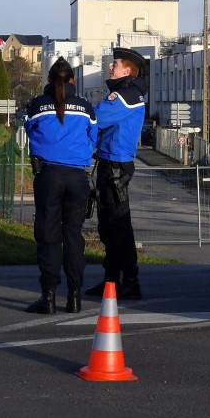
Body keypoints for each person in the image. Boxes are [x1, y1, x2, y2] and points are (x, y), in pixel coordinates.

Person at [23, 57, 98, 314]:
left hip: (49, 176)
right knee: (73, 236)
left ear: (49, 80)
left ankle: (49, 296)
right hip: (78, 177)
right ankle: (74, 297)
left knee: (48, 236)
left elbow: (30, 130)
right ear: (73, 81)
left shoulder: (37, 105)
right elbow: (93, 137)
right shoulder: (86, 107)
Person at [85, 47, 148, 300]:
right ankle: (111, 280)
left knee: (119, 227)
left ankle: (130, 283)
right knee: (108, 227)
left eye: (115, 64)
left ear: (128, 70)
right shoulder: (124, 94)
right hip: (110, 165)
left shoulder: (124, 97)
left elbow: (94, 118)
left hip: (115, 168)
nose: (110, 67)